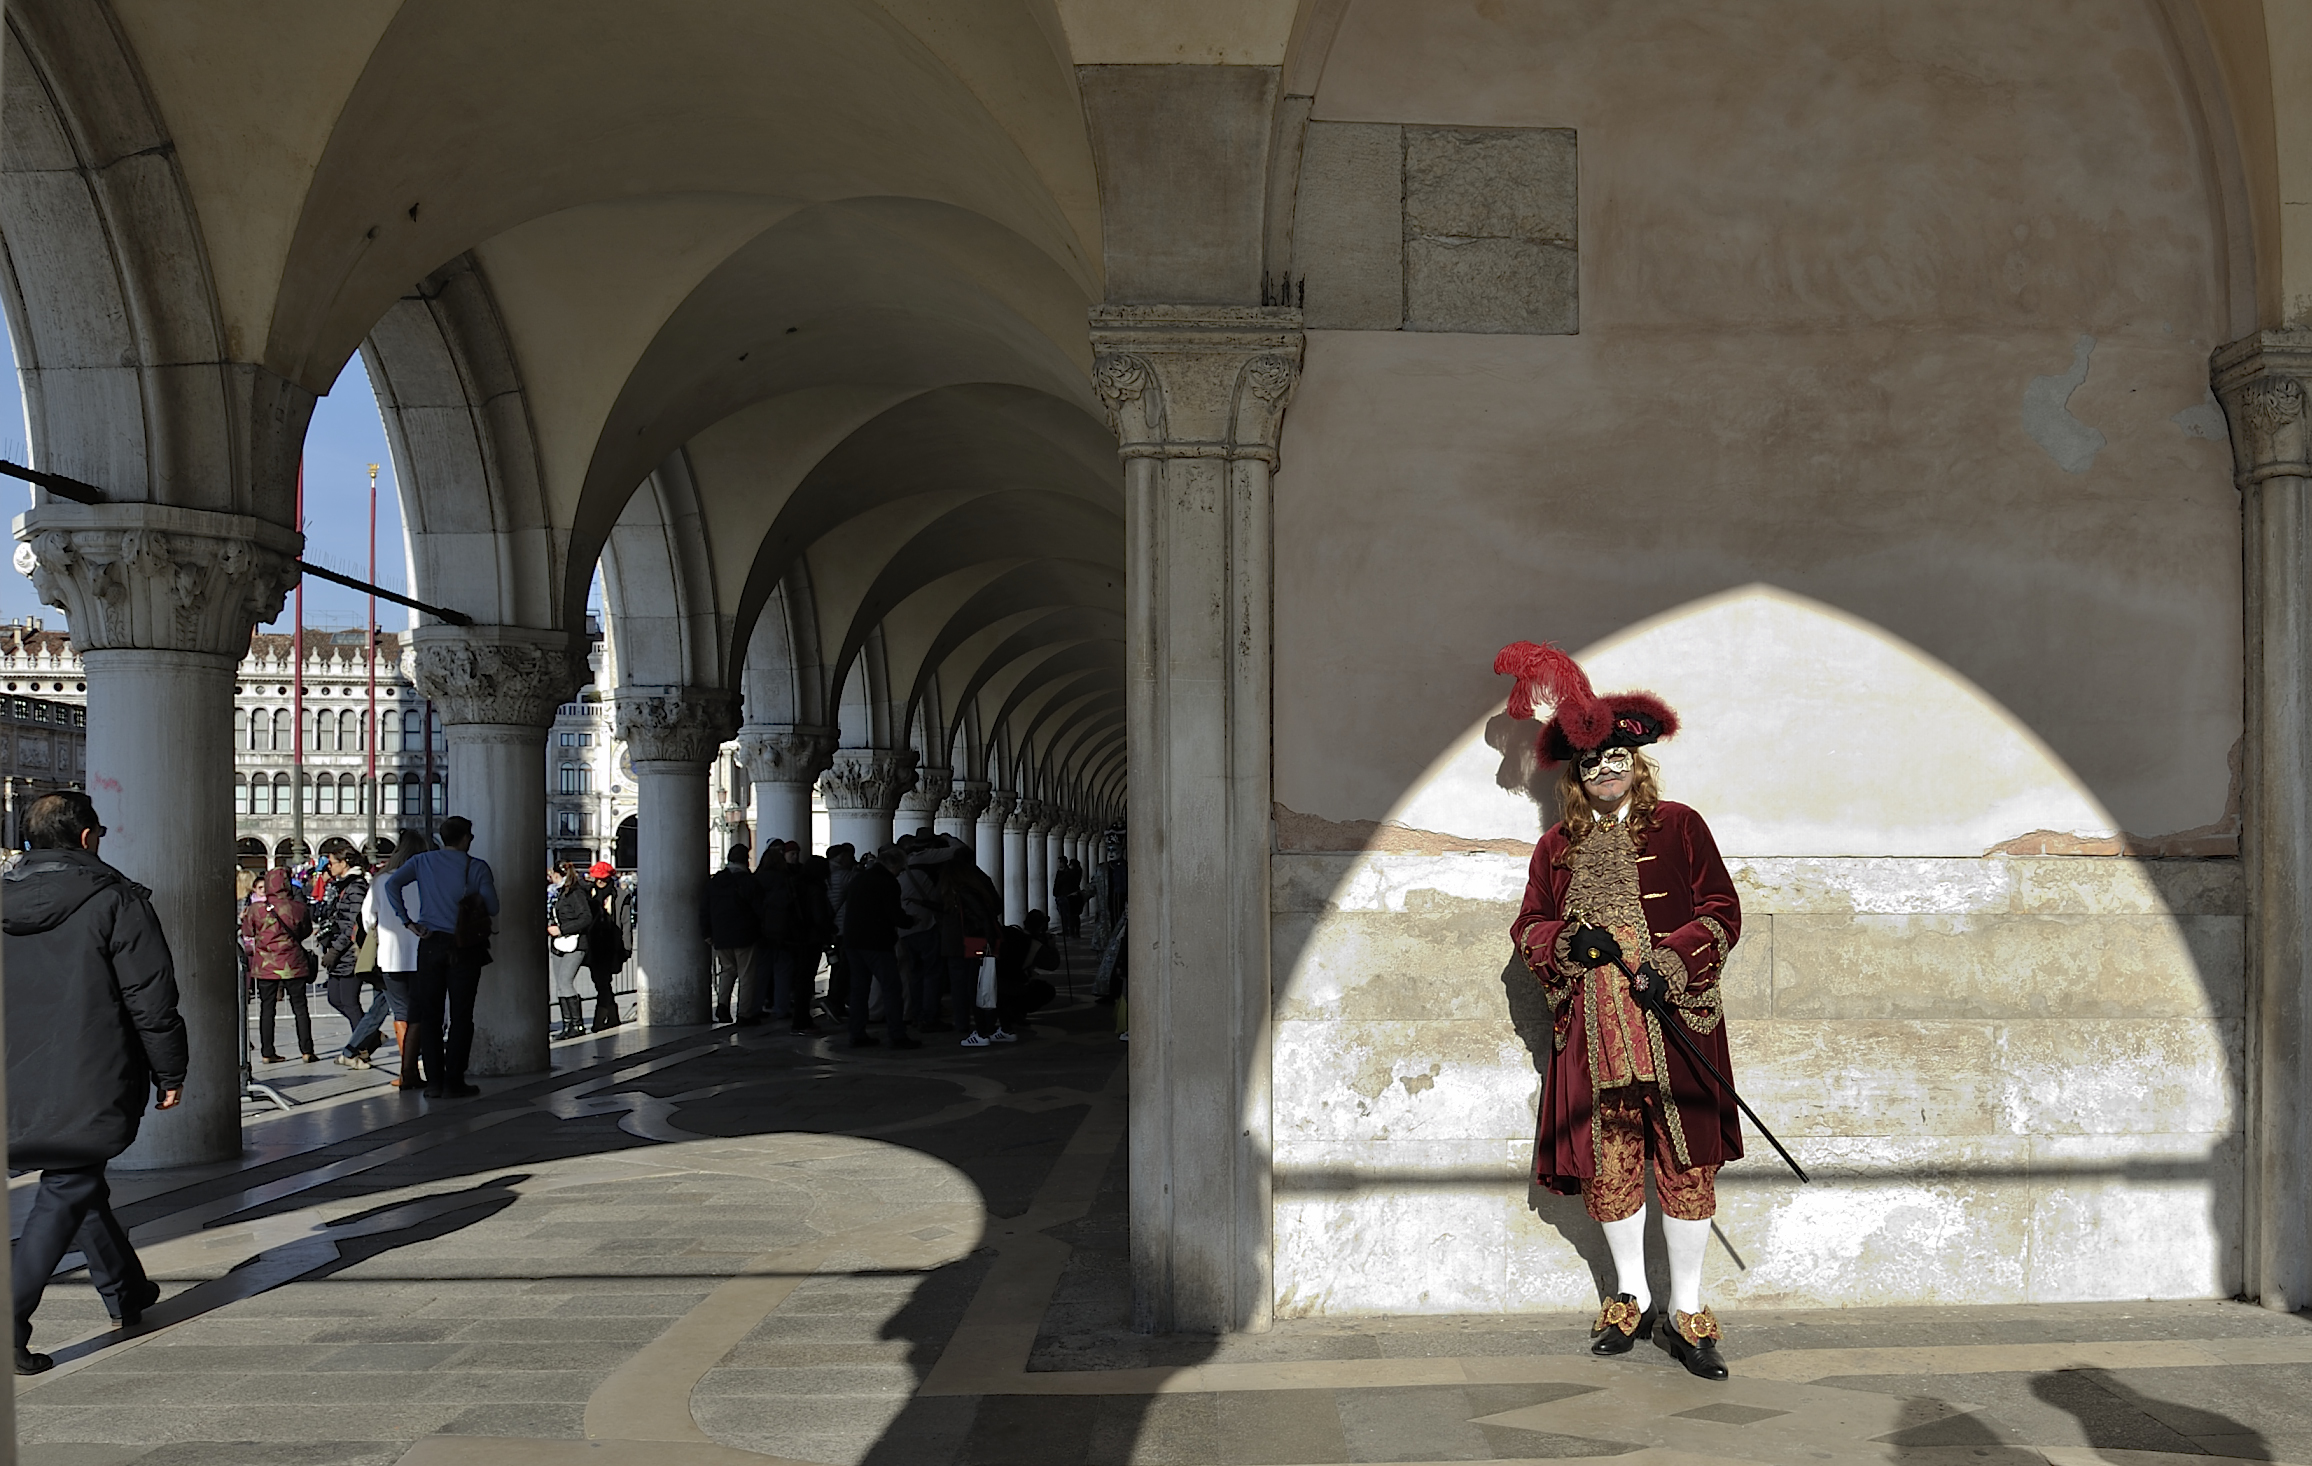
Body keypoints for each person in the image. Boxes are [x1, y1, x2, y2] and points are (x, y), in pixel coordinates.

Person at [1497, 641, 1741, 1382]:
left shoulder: (1681, 826)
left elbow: (1723, 912)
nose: (1605, 771)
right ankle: (1629, 1298)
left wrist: (1671, 963)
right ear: (1578, 774)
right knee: (1612, 1159)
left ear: (1638, 762)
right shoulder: (1556, 846)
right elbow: (1529, 925)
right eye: (1591, 763)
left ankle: (1689, 1311)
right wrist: (1570, 940)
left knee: (1685, 1161)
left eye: (1616, 759)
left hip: (1675, 1018)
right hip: (1593, 1028)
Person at [3, 792, 185, 1373]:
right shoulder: (115, 900)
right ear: (87, 838)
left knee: (79, 1183)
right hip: (88, 1069)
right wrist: (170, 1069)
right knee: (68, 1183)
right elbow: (150, 996)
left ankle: (126, 1290)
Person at [381, 815, 501, 1099]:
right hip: (465, 946)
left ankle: (434, 1082)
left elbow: (392, 885)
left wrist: (407, 921)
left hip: (430, 942)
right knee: (461, 1015)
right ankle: (454, 1080)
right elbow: (493, 907)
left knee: (430, 1014)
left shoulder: (422, 862)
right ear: (466, 838)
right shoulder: (477, 867)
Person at [362, 829, 431, 1087]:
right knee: (424, 1012)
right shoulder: (426, 878)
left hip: (391, 957)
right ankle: (421, 1068)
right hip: (423, 954)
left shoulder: (380, 880)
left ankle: (406, 1070)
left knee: (401, 1012)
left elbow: (368, 917)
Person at [839, 845, 917, 1050]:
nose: (902, 871)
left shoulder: (860, 879)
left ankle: (856, 1033)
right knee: (891, 988)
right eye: (901, 867)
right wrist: (910, 921)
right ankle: (897, 1035)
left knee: (859, 990)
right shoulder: (888, 882)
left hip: (853, 942)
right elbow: (894, 914)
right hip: (877, 943)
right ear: (893, 865)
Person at [242, 866, 317, 1063]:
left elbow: (248, 932)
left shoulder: (255, 910)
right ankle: (307, 1050)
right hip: (294, 963)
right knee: (300, 1007)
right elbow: (306, 931)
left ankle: (267, 1052)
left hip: (266, 966)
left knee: (267, 1008)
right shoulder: (298, 908)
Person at [317, 850, 374, 1064]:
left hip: (350, 952)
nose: (329, 867)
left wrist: (336, 949)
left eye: (332, 863)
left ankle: (361, 1046)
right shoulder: (341, 885)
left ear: (345, 863)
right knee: (334, 997)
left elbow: (352, 925)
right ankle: (370, 1035)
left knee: (349, 1001)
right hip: (338, 951)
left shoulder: (357, 886)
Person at [702, 845, 762, 1025]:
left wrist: (707, 932)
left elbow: (704, 908)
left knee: (727, 970)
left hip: (720, 934)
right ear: (746, 860)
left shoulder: (715, 881)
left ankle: (722, 1005)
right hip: (744, 934)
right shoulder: (749, 881)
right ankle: (744, 1013)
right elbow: (759, 909)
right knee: (746, 974)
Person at [579, 861, 628, 1030]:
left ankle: (598, 1021)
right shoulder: (588, 894)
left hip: (611, 945)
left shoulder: (619, 895)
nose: (599, 882)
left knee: (603, 982)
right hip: (593, 944)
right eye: (597, 879)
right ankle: (613, 1015)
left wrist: (626, 947)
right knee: (600, 981)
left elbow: (625, 922)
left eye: (603, 879)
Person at [548, 861, 593, 1035]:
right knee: (560, 985)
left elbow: (586, 917)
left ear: (557, 874)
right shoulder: (561, 893)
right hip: (559, 943)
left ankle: (577, 1024)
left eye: (552, 874)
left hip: (574, 941)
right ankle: (568, 1024)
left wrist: (562, 929)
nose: (550, 878)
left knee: (566, 982)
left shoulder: (575, 893)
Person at [1053, 856, 1085, 939]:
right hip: (1071, 896)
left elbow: (1060, 883)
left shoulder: (1069, 873)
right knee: (1072, 915)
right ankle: (1072, 932)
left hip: (1068, 896)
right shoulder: (1072, 872)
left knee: (1069, 915)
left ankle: (1070, 932)